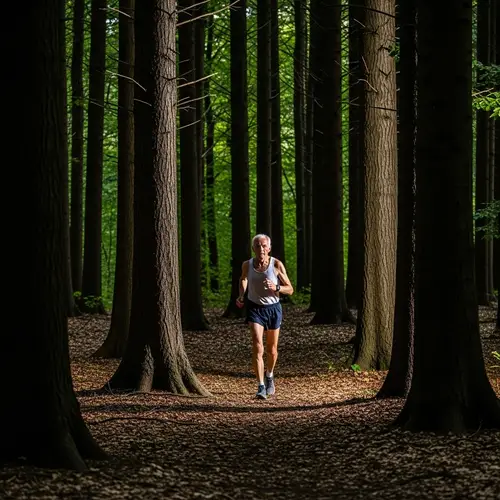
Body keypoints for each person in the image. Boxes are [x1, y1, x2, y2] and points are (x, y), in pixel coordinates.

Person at [236, 234, 294, 399]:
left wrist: (277, 287)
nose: (261, 249)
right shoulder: (247, 265)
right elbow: (243, 279)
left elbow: (290, 289)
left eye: (263, 246)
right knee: (257, 346)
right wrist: (241, 295)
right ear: (253, 248)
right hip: (255, 308)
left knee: (272, 350)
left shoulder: (276, 264)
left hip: (273, 309)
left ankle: (269, 375)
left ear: (269, 248)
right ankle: (261, 386)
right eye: (257, 246)